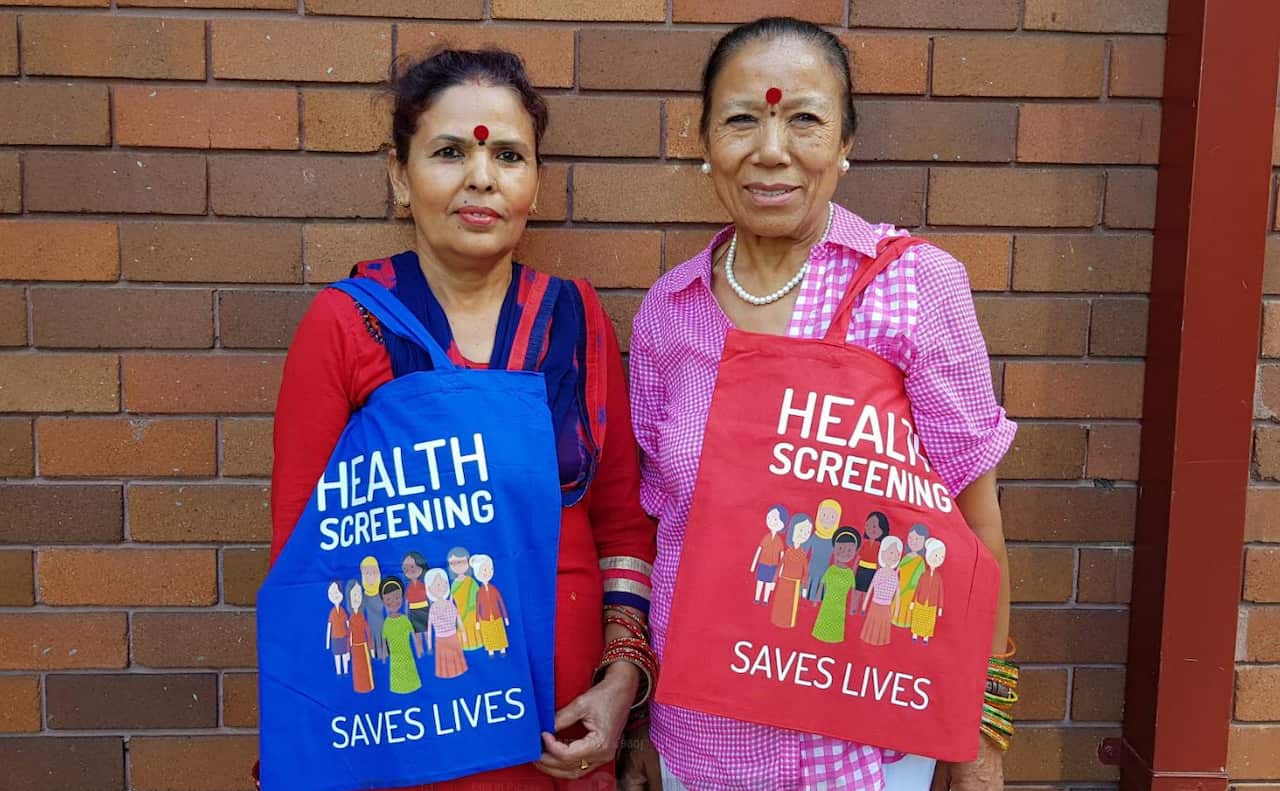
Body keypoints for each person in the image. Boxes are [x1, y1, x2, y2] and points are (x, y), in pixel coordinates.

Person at [627, 16, 1017, 790]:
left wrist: (983, 735)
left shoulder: (912, 286)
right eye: (742, 119)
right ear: (703, 140)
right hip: (701, 736)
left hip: (865, 742)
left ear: (845, 142)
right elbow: (660, 528)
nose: (771, 149)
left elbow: (977, 529)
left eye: (803, 119)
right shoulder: (668, 314)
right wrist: (641, 719)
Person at [270, 47, 657, 789]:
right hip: (408, 729)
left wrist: (619, 686)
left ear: (535, 185)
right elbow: (302, 559)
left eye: (509, 155)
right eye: (450, 152)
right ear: (398, 175)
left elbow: (622, 526)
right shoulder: (348, 326)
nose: (482, 176)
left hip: (562, 738)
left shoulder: (575, 320)